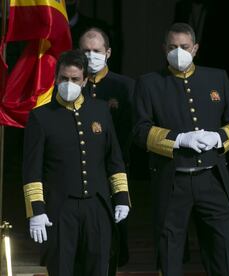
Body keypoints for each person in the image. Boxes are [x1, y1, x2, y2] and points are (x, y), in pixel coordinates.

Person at [133, 22, 229, 275]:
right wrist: (179, 139)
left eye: (184, 46)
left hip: (211, 178)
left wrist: (218, 138)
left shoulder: (217, 77)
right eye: (173, 47)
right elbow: (140, 131)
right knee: (170, 251)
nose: (178, 52)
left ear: (195, 48)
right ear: (164, 49)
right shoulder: (150, 83)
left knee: (223, 248)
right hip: (174, 180)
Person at [22, 50, 131, 276]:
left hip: (97, 206)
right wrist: (36, 211)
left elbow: (114, 159)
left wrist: (121, 198)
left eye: (74, 79)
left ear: (85, 81)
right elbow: (32, 169)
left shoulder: (100, 110)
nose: (68, 84)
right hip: (60, 209)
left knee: (99, 267)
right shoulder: (41, 116)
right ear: (55, 78)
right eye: (63, 79)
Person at [79, 26, 135, 267]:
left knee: (112, 233)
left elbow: (131, 130)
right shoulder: (70, 83)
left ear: (108, 53)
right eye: (85, 51)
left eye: (96, 50)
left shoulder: (124, 86)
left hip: (113, 170)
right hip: (78, 169)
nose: (91, 55)